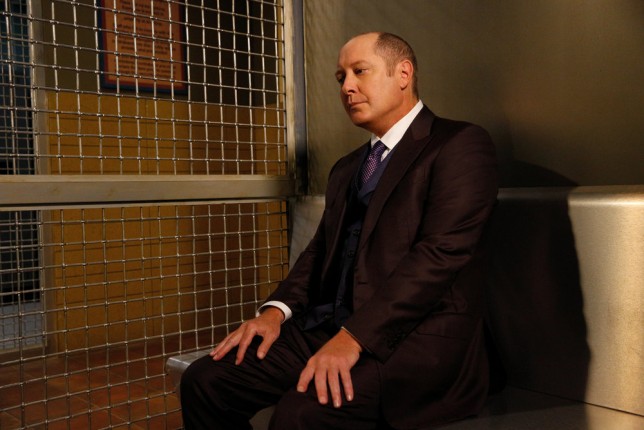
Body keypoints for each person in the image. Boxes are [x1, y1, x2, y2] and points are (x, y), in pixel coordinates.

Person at [180, 31, 498, 430]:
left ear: (403, 74)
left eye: (359, 71)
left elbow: (440, 257)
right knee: (206, 381)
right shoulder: (348, 167)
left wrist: (354, 337)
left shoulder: (459, 144)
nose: (347, 87)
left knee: (300, 415)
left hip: (415, 341)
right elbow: (319, 252)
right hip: (331, 328)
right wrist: (274, 313)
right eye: (340, 77)